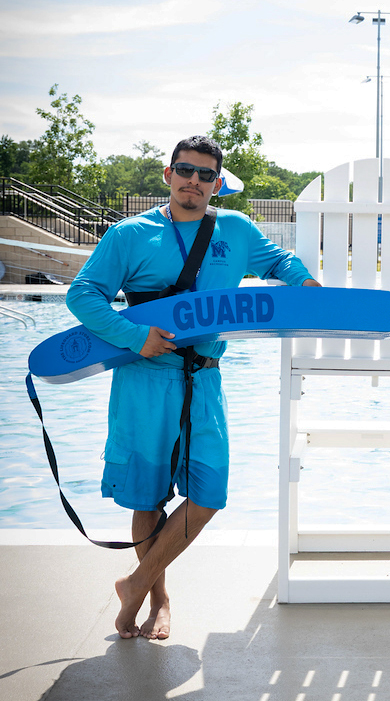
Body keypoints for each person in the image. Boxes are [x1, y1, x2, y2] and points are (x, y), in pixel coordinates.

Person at [66, 135, 320, 640]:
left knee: (208, 494)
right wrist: (134, 336)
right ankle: (157, 598)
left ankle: (134, 583)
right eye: (186, 170)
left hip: (204, 376)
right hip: (144, 378)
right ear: (168, 174)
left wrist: (306, 284)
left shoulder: (236, 230)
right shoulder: (129, 235)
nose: (194, 181)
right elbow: (83, 295)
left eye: (206, 175)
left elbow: (278, 263)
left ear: (218, 183)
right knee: (147, 498)